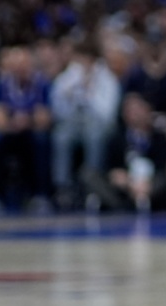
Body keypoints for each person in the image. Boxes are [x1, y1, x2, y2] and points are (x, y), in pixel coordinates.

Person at [50, 39, 121, 208]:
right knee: (61, 137)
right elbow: (58, 110)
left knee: (94, 136)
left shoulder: (107, 79)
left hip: (99, 123)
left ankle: (93, 188)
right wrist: (71, 93)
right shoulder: (68, 77)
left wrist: (90, 93)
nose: (82, 63)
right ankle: (63, 187)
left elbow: (107, 114)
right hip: (73, 122)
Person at [0, 45, 53, 211]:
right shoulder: (2, 84)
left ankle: (40, 195)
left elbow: (43, 118)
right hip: (9, 131)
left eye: (24, 64)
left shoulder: (42, 84)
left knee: (41, 139)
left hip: (31, 131)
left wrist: (26, 121)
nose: (21, 68)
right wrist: (12, 123)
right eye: (17, 65)